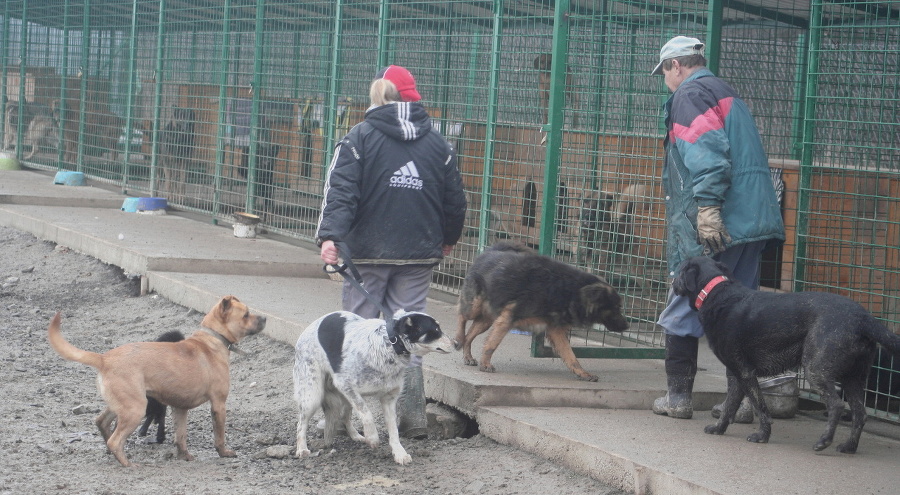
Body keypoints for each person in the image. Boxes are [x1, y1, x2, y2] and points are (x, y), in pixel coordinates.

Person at [316, 65, 467, 437]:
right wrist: (448, 238)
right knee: (413, 335)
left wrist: (330, 237)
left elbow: (341, 192)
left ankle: (345, 420)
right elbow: (456, 201)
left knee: (359, 334)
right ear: (413, 99)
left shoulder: (358, 138)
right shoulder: (438, 144)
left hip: (366, 254)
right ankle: (410, 418)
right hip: (418, 254)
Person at [649, 36, 785, 420]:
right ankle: (740, 404)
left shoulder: (691, 95)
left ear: (677, 65)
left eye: (664, 72)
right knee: (740, 309)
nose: (665, 80)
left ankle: (678, 398)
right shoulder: (726, 91)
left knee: (684, 301)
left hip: (719, 220)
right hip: (752, 219)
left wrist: (707, 208)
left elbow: (706, 152)